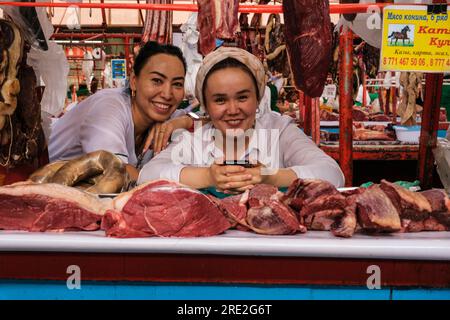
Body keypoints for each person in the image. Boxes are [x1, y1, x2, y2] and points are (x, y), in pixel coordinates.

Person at [138, 47, 344, 191]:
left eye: (243, 97)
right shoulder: (194, 141)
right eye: (220, 100)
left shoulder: (279, 130)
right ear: (206, 106)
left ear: (258, 98)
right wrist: (207, 177)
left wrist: (271, 177)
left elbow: (332, 174)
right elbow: (147, 174)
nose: (233, 109)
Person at [49, 41, 195, 181]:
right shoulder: (108, 108)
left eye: (177, 84)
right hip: (43, 187)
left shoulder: (162, 116)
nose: (167, 94)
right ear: (133, 81)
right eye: (157, 80)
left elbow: (208, 121)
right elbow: (117, 172)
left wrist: (182, 121)